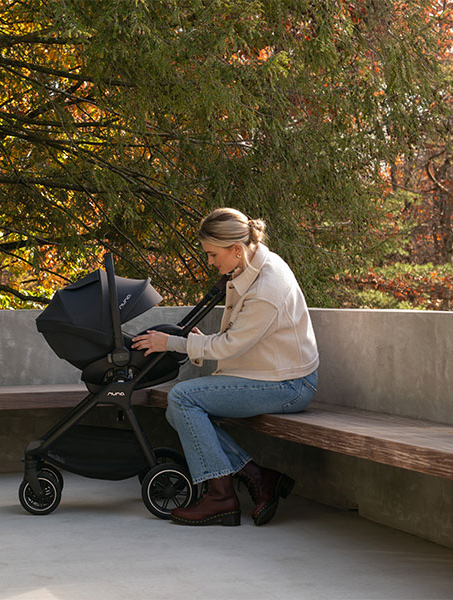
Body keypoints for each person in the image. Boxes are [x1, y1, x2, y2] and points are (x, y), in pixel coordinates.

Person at [132, 207, 319, 527]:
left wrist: (172, 343)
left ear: (235, 249)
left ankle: (221, 496)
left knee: (182, 399)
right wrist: (199, 342)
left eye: (212, 254)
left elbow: (230, 345)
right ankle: (257, 476)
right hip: (268, 374)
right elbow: (238, 337)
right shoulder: (250, 266)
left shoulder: (267, 287)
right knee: (179, 410)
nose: (210, 262)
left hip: (289, 385)